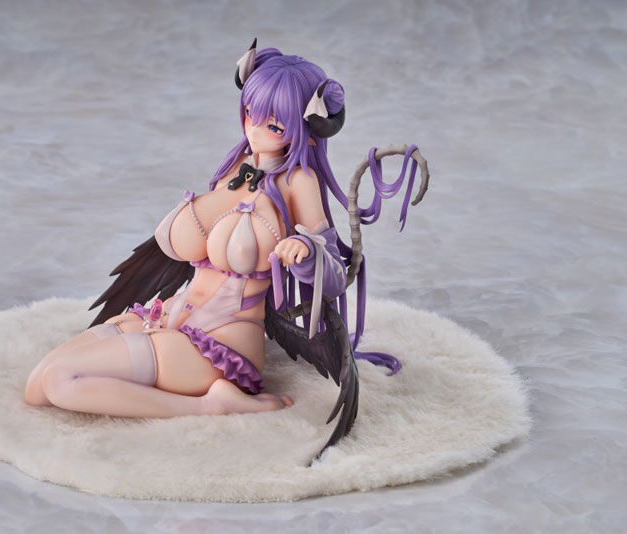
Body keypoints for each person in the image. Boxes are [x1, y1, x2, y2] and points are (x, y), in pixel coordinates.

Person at [23, 40, 427, 462]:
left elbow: (332, 279)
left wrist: (306, 251)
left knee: (60, 381)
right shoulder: (236, 167)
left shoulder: (298, 183)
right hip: (167, 317)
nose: (255, 129)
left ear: (308, 126)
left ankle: (209, 404)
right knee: (37, 388)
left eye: (274, 125)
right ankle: (184, 389)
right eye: (250, 113)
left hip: (217, 347)